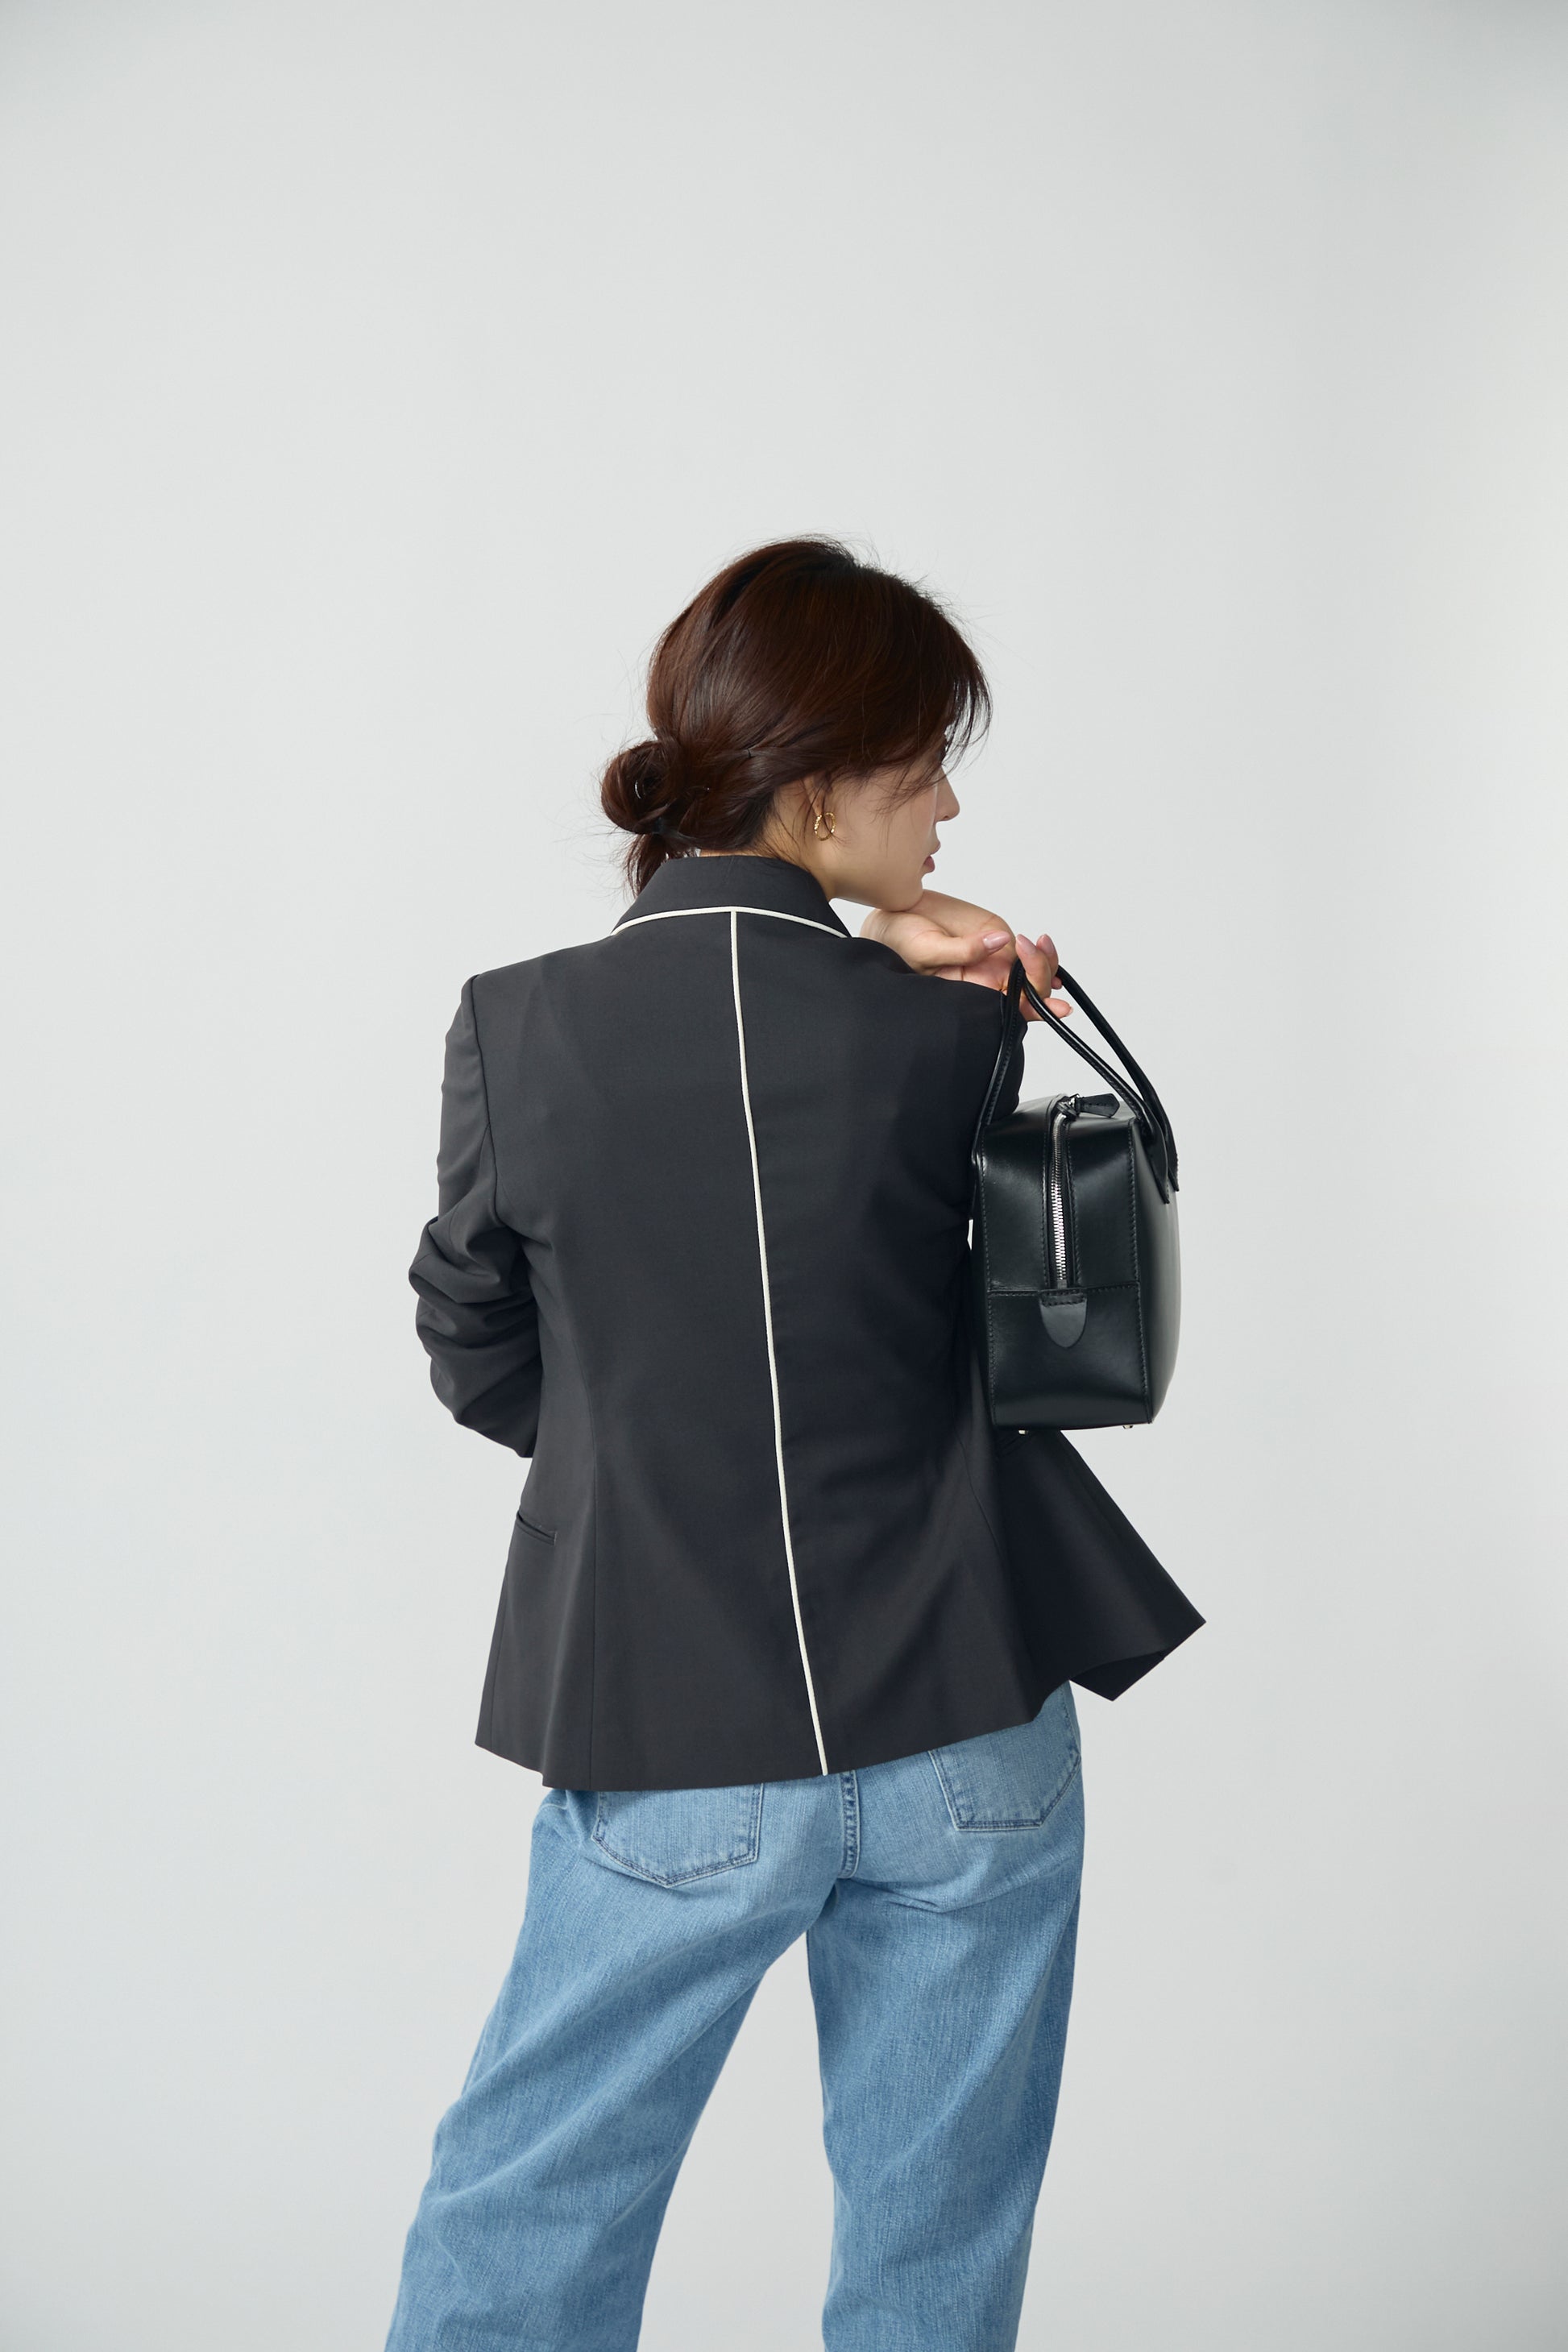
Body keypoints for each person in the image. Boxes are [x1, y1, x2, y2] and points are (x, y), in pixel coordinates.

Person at [384, 539, 1200, 2352]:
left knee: (531, 2210)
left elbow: (471, 1342)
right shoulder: (946, 1030)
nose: (950, 808)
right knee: (937, 2244)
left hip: (672, 1726)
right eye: (925, 767)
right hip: (971, 1716)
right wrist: (938, 967)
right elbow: (999, 1324)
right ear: (819, 783)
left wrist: (634, 1456)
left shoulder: (519, 1025)